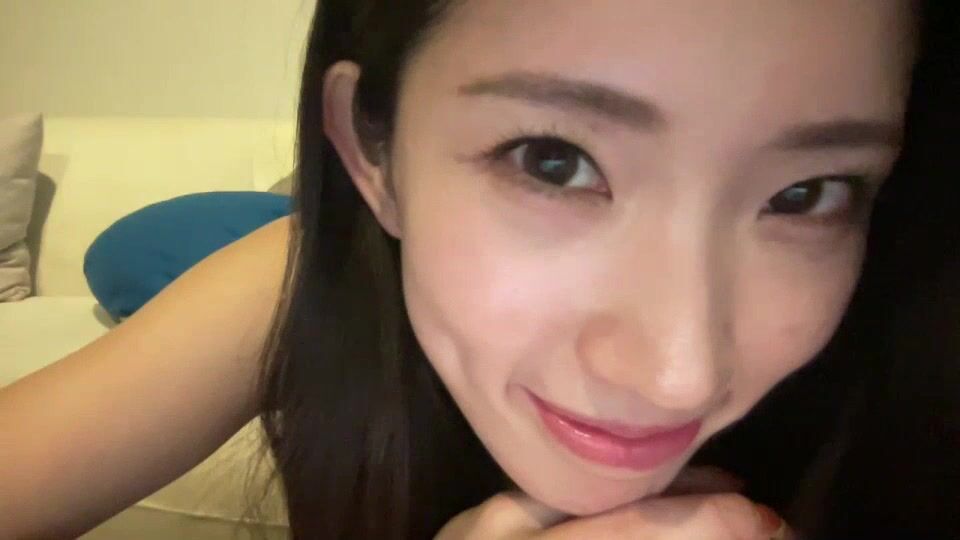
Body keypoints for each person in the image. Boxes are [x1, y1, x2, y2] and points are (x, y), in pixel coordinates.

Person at [1, 1, 956, 538]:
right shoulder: (293, 282)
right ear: (371, 152)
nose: (681, 374)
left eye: (806, 194)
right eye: (555, 161)